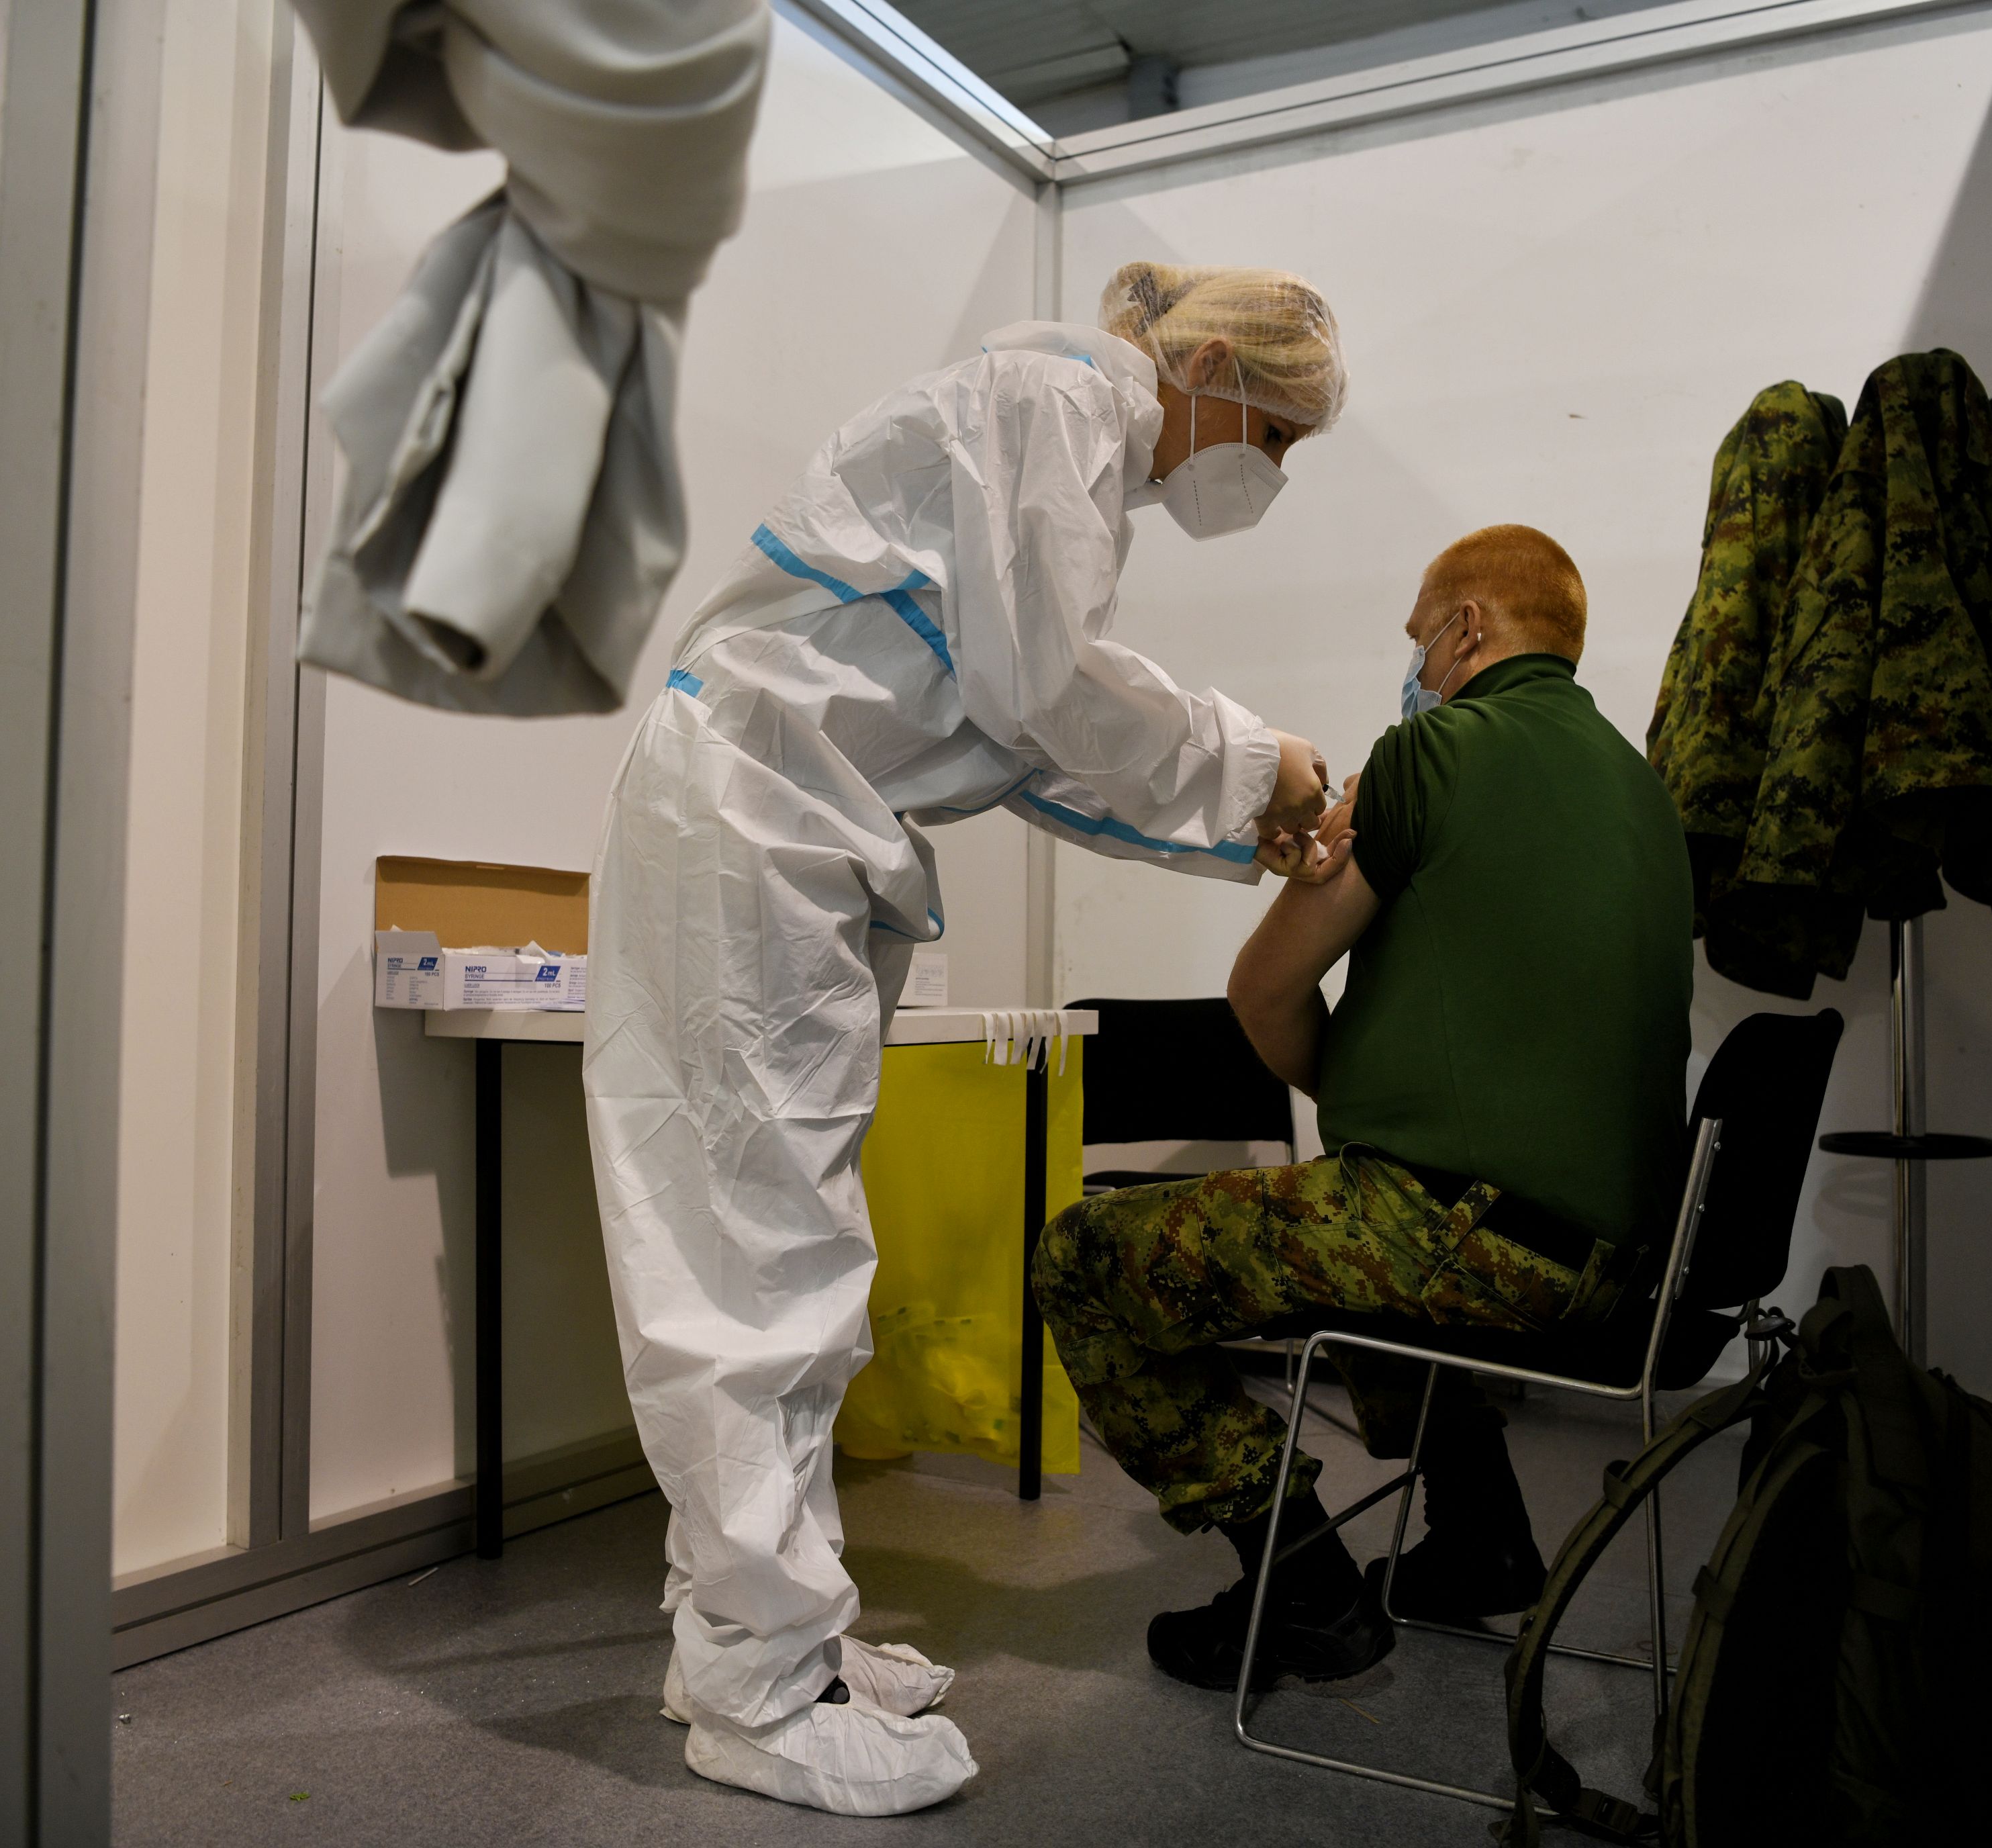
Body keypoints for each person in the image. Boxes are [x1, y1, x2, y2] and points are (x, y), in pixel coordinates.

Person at [583, 264, 1351, 1816]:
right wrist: (1260, 761)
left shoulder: (1047, 439)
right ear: (1203, 363)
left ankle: (759, 1634)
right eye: (1274, 433)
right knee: (756, 1264)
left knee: (791, 1252)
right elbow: (1052, 694)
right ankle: (757, 1682)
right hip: (754, 819)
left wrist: (1234, 821)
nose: (1268, 472)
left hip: (797, 830)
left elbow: (1025, 746)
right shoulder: (1060, 397)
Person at [1032, 524, 1695, 1690]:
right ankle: (1480, 1536)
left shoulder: (1432, 756)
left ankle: (1302, 1585)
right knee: (1378, 1197)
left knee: (1083, 1256)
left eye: (1417, 642)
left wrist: (1363, 1089)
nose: (1414, 667)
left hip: (1470, 1240)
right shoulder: (1642, 792)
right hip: (1625, 1267)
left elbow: (1265, 991)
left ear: (1467, 631)